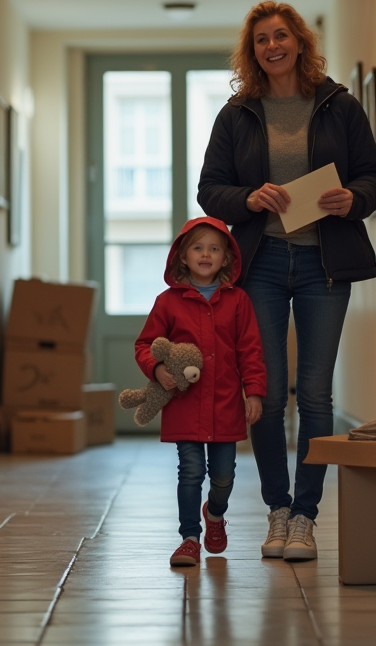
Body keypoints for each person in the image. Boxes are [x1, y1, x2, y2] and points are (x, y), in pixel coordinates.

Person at [197, 0, 376, 562]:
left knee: (317, 394)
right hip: (262, 265)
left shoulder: (339, 106)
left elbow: (373, 177)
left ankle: (306, 517)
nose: (272, 46)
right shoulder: (237, 114)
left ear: (300, 42)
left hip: (325, 264)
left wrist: (353, 199)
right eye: (261, 40)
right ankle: (277, 510)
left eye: (281, 35)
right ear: (251, 51)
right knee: (267, 393)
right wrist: (248, 197)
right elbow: (210, 189)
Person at [133, 216, 268, 567]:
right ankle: (189, 538)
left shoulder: (238, 302)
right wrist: (157, 369)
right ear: (182, 256)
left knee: (223, 476)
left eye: (214, 248)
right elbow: (145, 344)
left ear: (227, 258)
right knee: (190, 472)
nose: (206, 254)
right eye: (197, 248)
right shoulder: (168, 302)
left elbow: (250, 350)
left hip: (225, 405)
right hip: (185, 406)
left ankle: (216, 513)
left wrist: (253, 391)